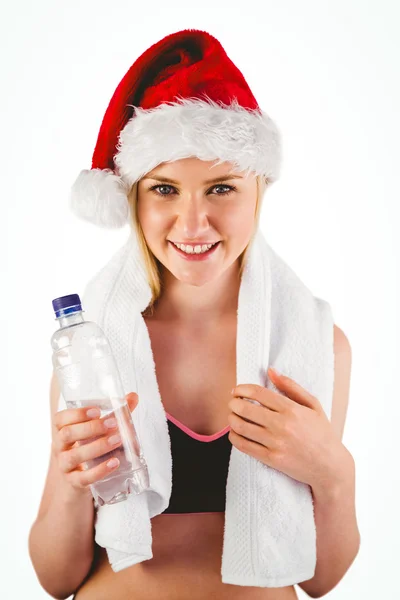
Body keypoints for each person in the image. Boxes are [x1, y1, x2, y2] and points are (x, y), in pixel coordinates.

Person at [28, 29, 358, 600]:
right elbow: (55, 580)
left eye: (221, 188)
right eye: (164, 189)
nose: (192, 224)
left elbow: (321, 579)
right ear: (133, 198)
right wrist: (68, 478)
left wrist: (334, 474)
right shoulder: (92, 351)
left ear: (260, 189)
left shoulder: (316, 346)